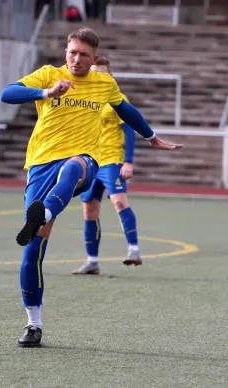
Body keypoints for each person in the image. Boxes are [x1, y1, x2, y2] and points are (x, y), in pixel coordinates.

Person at [0, 27, 183, 347]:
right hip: (41, 166)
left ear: (94, 58)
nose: (77, 58)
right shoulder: (47, 75)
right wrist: (46, 93)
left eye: (84, 54)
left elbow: (127, 110)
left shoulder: (104, 83)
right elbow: (8, 93)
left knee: (75, 166)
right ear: (65, 52)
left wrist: (151, 137)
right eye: (72, 52)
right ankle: (33, 324)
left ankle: (42, 212)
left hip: (83, 160)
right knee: (32, 254)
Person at [72, 57, 142, 276]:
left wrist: (128, 161)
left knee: (119, 202)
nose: (98, 76)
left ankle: (134, 250)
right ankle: (92, 262)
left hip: (112, 160)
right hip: (91, 162)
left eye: (102, 73)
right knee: (89, 211)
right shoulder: (85, 99)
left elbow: (129, 131)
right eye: (94, 72)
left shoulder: (118, 99)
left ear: (111, 76)